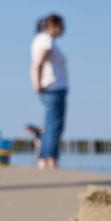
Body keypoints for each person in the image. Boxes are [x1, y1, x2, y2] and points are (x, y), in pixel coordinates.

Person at [30, 14, 68, 169]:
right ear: (52, 25)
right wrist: (37, 83)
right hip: (53, 88)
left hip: (50, 88)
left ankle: (44, 159)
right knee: (54, 126)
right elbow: (38, 63)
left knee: (49, 125)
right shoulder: (46, 40)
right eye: (61, 25)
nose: (63, 29)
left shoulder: (40, 40)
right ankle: (50, 160)